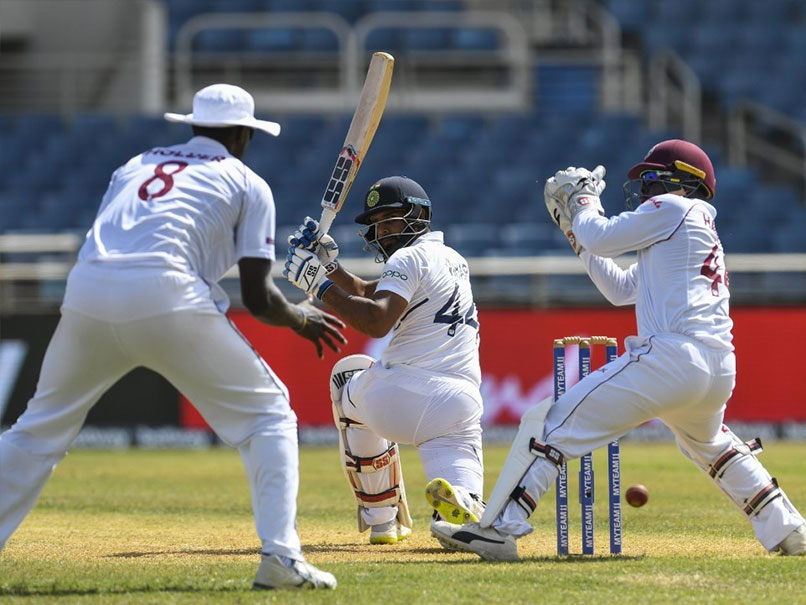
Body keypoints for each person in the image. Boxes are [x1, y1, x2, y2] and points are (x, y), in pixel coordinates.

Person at [0, 84, 347, 589]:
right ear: (240, 135)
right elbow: (257, 296)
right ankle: (281, 556)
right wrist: (300, 317)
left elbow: (141, 232)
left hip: (89, 289)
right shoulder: (248, 183)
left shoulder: (134, 164)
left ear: (194, 126)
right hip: (167, 294)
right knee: (269, 415)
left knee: (37, 430)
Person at [430, 139, 806, 560]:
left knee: (551, 424)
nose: (644, 189)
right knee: (713, 446)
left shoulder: (676, 209)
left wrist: (584, 200)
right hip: (715, 367)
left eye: (650, 178)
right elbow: (617, 288)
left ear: (682, 181)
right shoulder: (688, 229)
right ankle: (789, 529)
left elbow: (602, 235)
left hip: (672, 358)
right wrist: (576, 230)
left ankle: (499, 529)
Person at [283, 176, 485, 545]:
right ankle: (459, 510)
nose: (382, 231)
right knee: (460, 504)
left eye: (391, 220)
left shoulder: (408, 257)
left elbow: (377, 321)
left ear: (420, 215)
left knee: (348, 376)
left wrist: (318, 286)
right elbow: (362, 291)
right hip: (460, 403)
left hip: (402, 396)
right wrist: (329, 266)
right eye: (376, 223)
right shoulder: (453, 259)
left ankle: (382, 518)